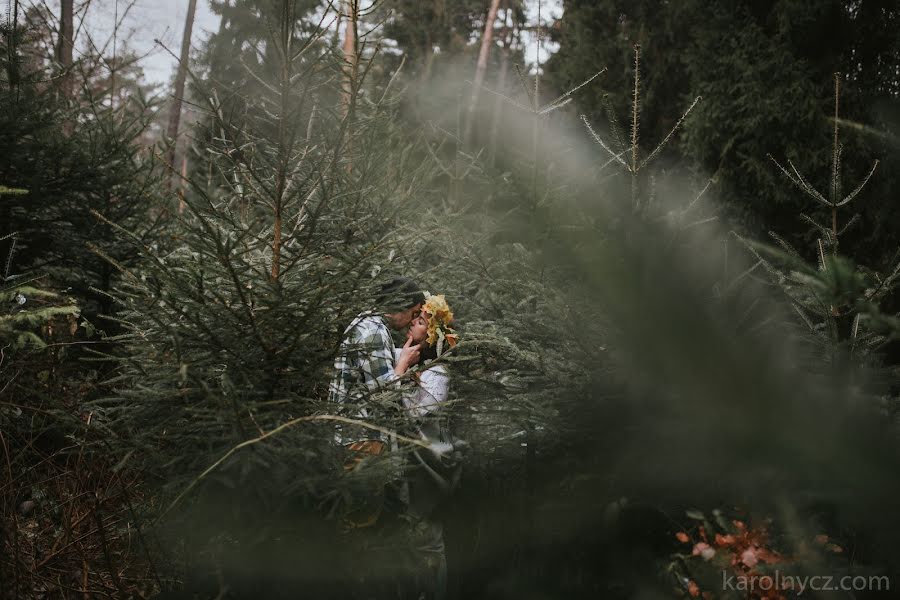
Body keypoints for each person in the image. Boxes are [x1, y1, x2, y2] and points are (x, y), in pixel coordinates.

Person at [396, 293, 462, 600]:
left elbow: (418, 415)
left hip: (429, 467)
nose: (413, 323)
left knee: (430, 538)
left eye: (421, 322)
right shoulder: (402, 354)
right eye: (414, 318)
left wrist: (405, 379)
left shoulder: (437, 373)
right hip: (406, 464)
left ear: (432, 334)